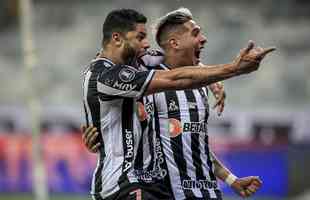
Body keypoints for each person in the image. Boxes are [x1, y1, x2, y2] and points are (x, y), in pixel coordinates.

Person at [82, 8, 275, 200]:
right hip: (127, 185)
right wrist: (233, 69)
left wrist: (212, 78)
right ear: (117, 38)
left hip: (162, 187)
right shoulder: (108, 76)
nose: (147, 44)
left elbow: (193, 140)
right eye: (140, 37)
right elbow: (176, 78)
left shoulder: (142, 62)